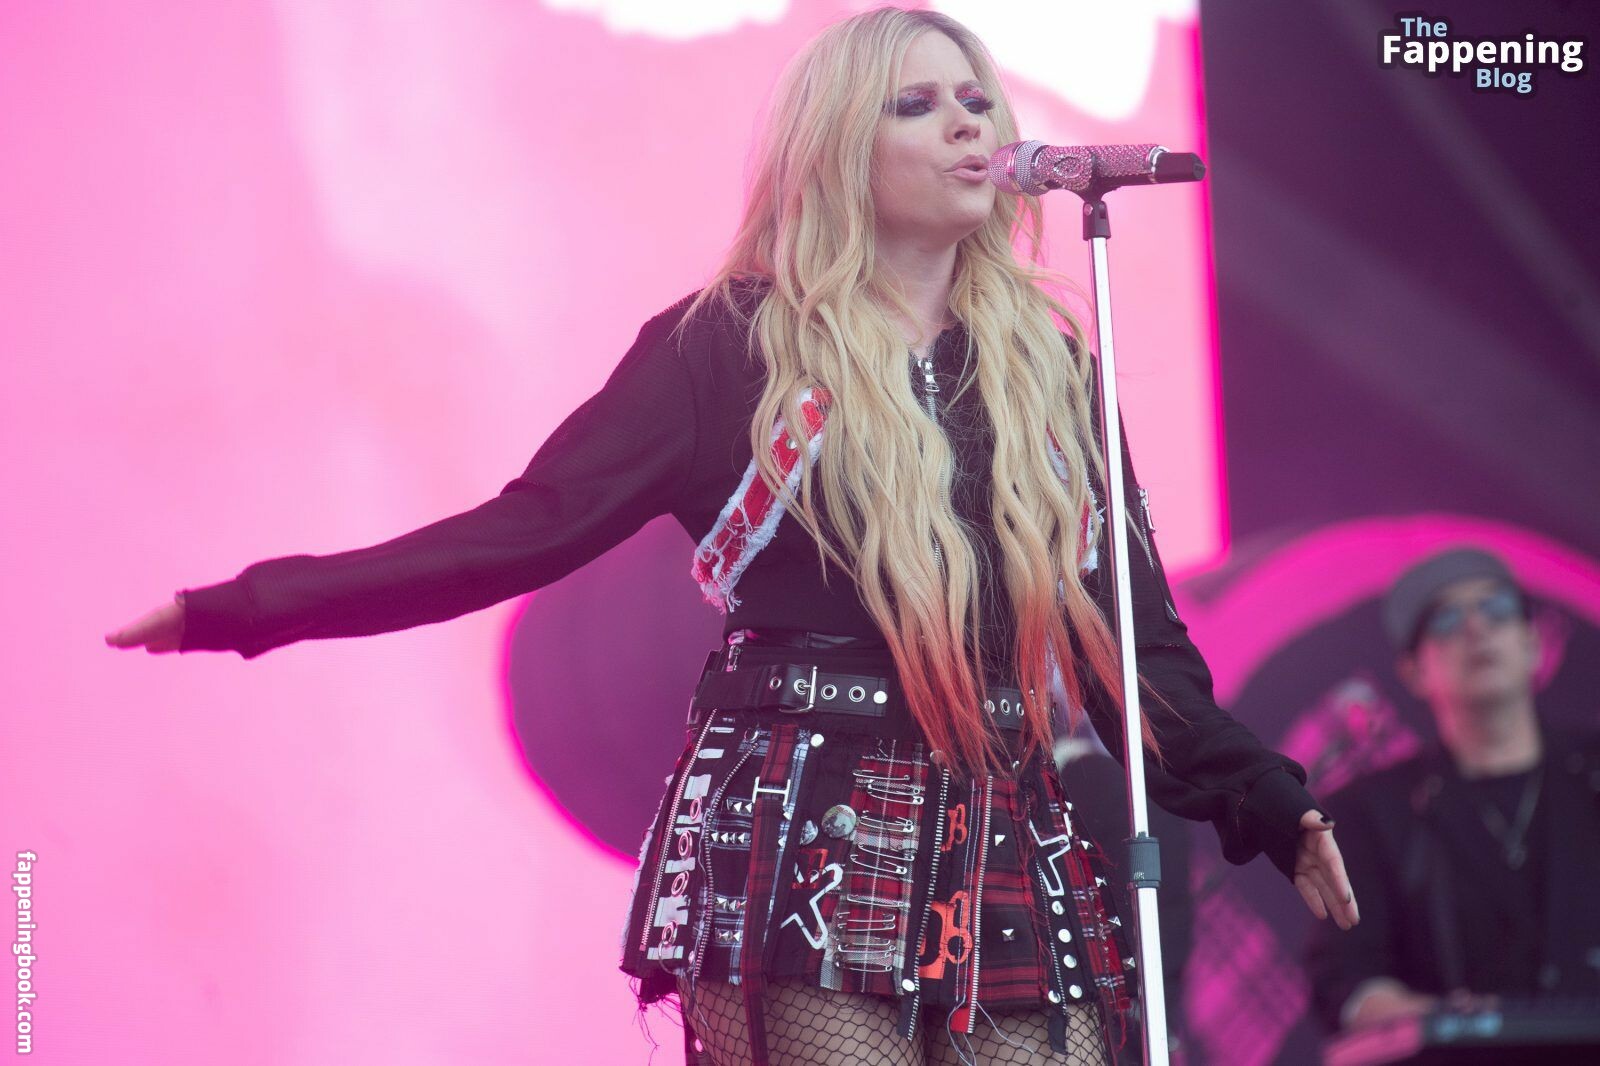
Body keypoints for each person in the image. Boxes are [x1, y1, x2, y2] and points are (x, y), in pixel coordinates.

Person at [106, 8, 1356, 1064]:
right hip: (804, 812)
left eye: (978, 99)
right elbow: (520, 533)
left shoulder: (1049, 369)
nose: (969, 125)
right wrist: (251, 606)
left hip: (1001, 813)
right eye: (918, 105)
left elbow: (1130, 639)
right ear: (837, 146)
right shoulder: (727, 347)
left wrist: (1266, 798)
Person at [1305, 547, 1600, 1036]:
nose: (1476, 629)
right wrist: (1448, 1022)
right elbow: (1346, 981)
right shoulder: (1368, 813)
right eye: (1445, 621)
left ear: (1533, 643)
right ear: (1413, 671)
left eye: (1497, 610)